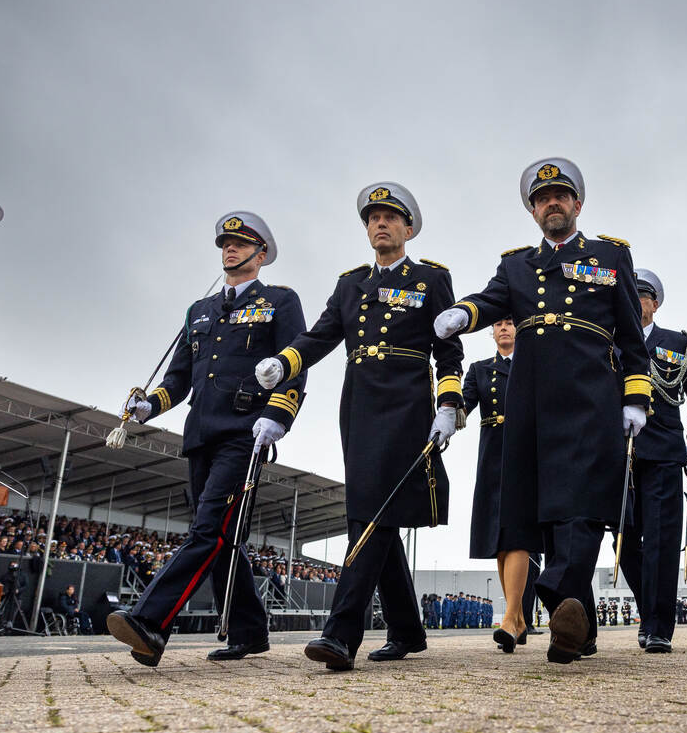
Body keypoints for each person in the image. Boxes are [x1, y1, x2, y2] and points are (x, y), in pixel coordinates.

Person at [434, 157, 651, 664]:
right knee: (548, 514)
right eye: (541, 199)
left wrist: (635, 397)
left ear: (578, 204)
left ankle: (554, 595)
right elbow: (490, 300)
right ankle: (578, 628)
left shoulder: (609, 255)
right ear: (532, 211)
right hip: (530, 400)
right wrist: (462, 313)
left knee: (581, 508)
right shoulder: (516, 265)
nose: (551, 203)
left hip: (589, 395)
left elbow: (630, 334)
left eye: (560, 196)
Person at [257, 182, 464, 671]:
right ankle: (407, 630)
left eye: (389, 217)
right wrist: (283, 363)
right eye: (372, 218)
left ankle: (340, 635)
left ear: (408, 228)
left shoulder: (431, 279)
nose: (380, 224)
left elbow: (448, 350)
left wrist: (449, 404)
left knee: (369, 515)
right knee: (374, 511)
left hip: (407, 406)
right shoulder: (350, 284)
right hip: (359, 405)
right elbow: (320, 336)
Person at [107, 212, 307, 666]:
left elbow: (296, 363)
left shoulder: (280, 300)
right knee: (224, 538)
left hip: (245, 433)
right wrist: (149, 405)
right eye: (225, 243)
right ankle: (249, 631)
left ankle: (150, 623)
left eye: (240, 243)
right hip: (200, 434)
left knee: (208, 530)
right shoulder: (199, 310)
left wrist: (279, 415)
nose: (229, 249)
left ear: (261, 254)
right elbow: (178, 379)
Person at [616, 268, 687, 654]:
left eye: (642, 295)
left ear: (654, 304)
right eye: (630, 294)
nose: (636, 301)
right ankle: (647, 610)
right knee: (624, 543)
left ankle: (659, 628)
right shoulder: (608, 338)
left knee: (661, 540)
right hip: (618, 453)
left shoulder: (677, 343)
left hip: (663, 453)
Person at [462, 317, 542, 652]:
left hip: (526, 451)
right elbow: (462, 406)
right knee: (500, 541)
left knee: (518, 534)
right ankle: (518, 620)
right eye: (498, 324)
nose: (504, 328)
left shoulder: (535, 364)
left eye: (510, 323)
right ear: (491, 332)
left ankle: (510, 619)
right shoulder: (479, 369)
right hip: (492, 455)